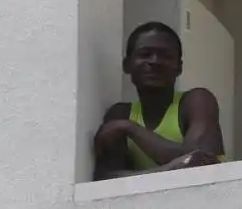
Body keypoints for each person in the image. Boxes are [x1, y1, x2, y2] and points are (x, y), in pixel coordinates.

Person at [93, 22, 225, 179]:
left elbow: (202, 165)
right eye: (145, 54)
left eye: (165, 56)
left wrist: (131, 128)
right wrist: (175, 167)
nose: (155, 61)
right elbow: (105, 180)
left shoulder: (197, 101)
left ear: (179, 67)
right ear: (127, 65)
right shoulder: (120, 113)